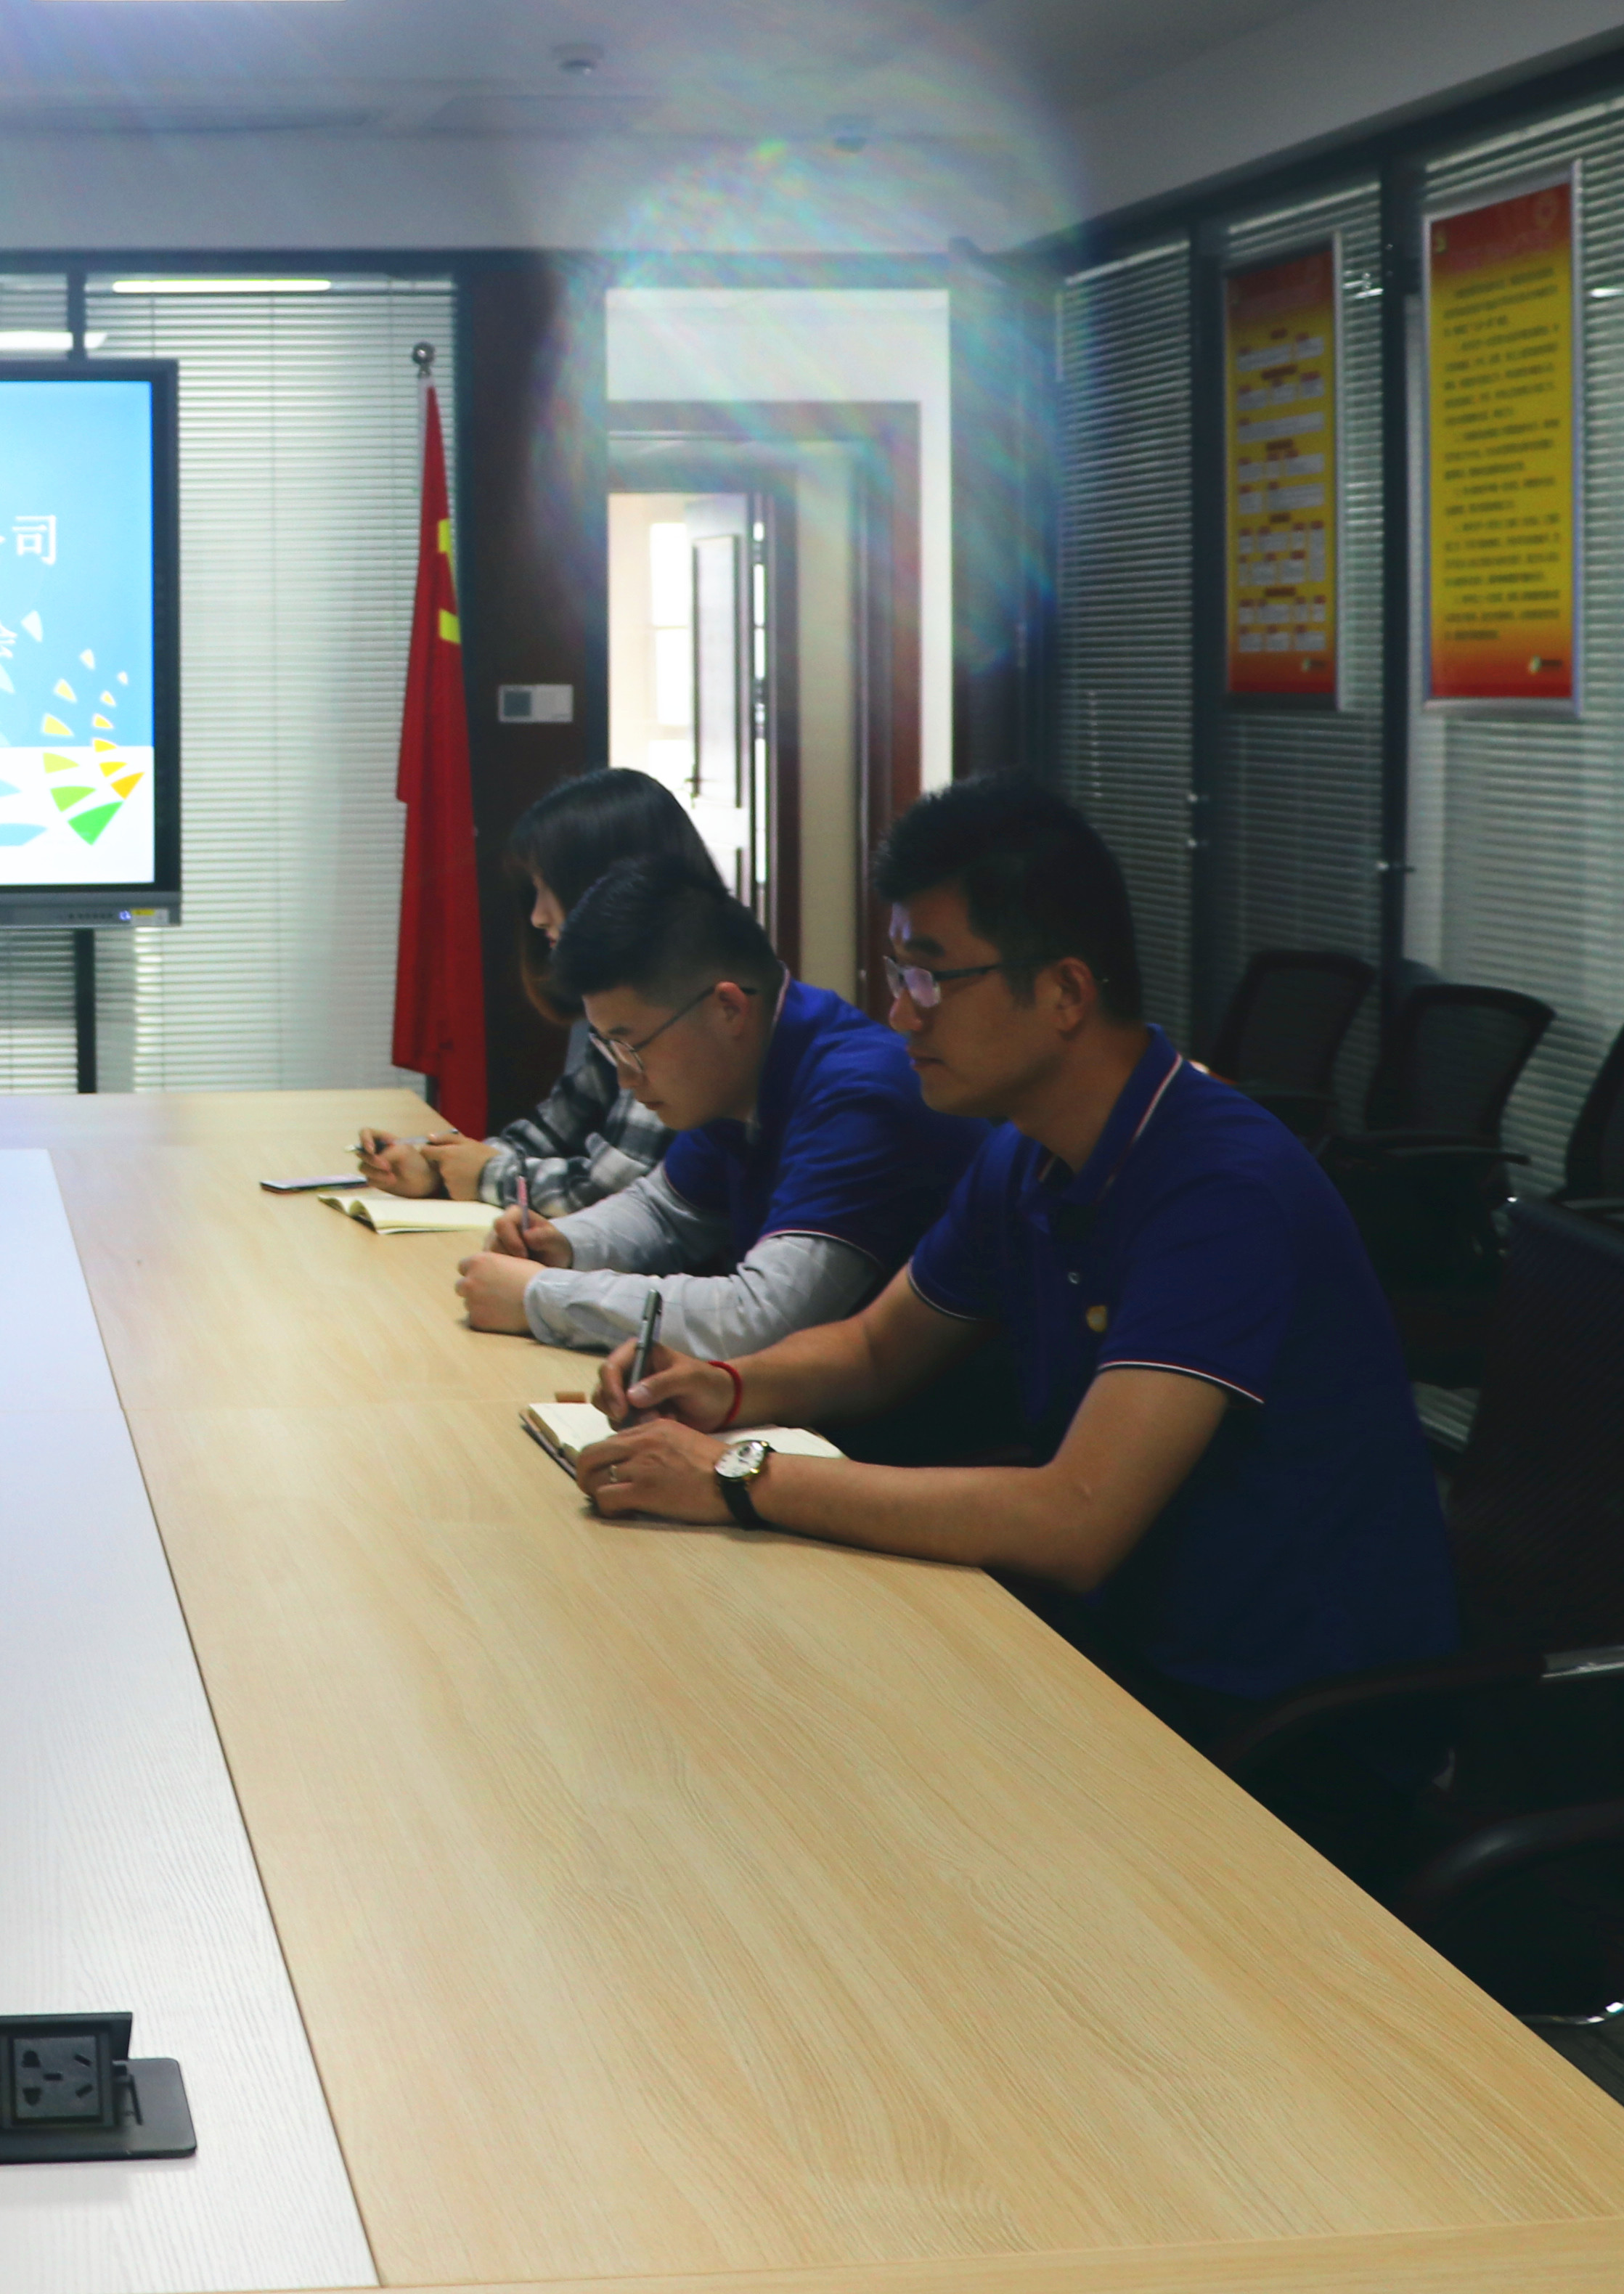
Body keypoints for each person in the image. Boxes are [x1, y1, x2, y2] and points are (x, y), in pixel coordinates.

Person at [569, 770, 1456, 1863]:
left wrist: (736, 1477)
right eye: (897, 974)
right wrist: (725, 1388)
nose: (902, 1013)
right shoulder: (1028, 1154)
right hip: (1125, 1652)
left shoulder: (1218, 1187)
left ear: (1065, 992)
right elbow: (877, 1347)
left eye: (932, 978)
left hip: (1274, 1728)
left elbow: (1075, 1521)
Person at [453, 859, 982, 1360]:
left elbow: (762, 1318)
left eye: (632, 1046)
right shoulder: (743, 1065)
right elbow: (664, 1211)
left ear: (728, 1008)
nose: (625, 1078)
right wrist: (564, 1244)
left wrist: (541, 1297)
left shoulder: (862, 1093)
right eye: (609, 1050)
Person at [359, 768, 707, 1213]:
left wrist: (484, 1176)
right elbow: (548, 1134)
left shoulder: (686, 1004)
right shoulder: (623, 993)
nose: (538, 917)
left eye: (549, 890)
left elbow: (610, 1190)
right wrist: (435, 1165)